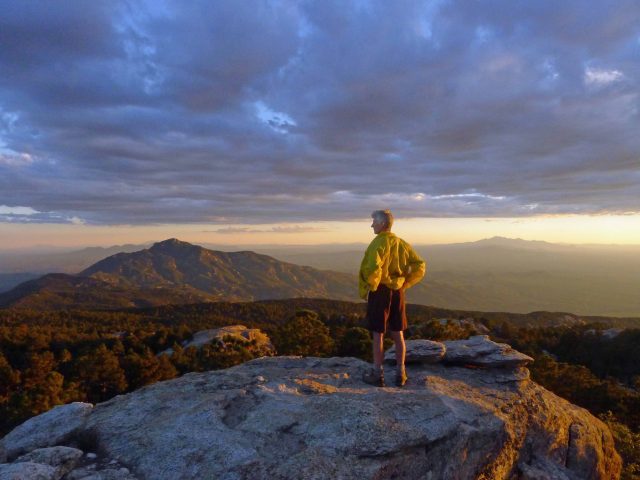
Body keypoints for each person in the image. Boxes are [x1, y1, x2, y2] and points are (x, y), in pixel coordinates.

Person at [359, 210, 426, 387]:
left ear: (382, 224)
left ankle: (377, 374)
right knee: (398, 333)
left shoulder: (377, 244)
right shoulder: (401, 243)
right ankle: (400, 373)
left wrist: (371, 286)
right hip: (398, 292)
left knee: (378, 334)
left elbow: (373, 268)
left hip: (380, 291)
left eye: (374, 222)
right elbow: (419, 265)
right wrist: (406, 282)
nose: (372, 225)